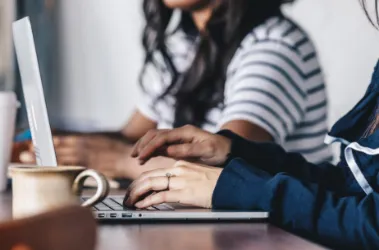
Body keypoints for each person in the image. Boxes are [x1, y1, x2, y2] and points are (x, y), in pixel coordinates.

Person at [124, 2, 379, 248]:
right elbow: (351, 189)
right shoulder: (180, 43)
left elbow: (371, 226)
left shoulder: (275, 44)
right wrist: (233, 150)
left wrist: (234, 186)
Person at [20, 0, 331, 179]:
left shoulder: (275, 46)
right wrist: (62, 144)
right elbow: (131, 139)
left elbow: (233, 167)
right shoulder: (182, 46)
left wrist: (116, 161)